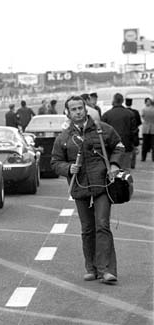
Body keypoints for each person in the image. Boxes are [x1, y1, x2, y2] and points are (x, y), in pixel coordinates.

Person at [50, 95, 124, 284]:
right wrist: (67, 168)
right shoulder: (64, 138)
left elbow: (119, 146)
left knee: (102, 225)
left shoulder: (102, 129)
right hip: (80, 188)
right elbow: (55, 162)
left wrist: (114, 165)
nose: (78, 112)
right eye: (73, 109)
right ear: (67, 112)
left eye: (80, 108)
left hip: (103, 186)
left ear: (85, 109)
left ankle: (106, 270)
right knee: (88, 229)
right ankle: (91, 268)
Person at [101, 93, 137, 170]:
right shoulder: (130, 114)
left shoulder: (106, 115)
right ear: (122, 101)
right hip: (126, 145)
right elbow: (134, 131)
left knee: (112, 171)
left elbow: (102, 132)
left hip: (111, 147)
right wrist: (135, 144)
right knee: (125, 170)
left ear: (113, 100)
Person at [124, 98, 142, 169]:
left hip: (125, 133)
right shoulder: (135, 112)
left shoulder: (124, 112)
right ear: (131, 103)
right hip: (134, 132)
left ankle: (126, 163)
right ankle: (132, 164)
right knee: (133, 148)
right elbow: (139, 122)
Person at [142, 97, 154, 162]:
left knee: (145, 144)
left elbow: (143, 116)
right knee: (152, 144)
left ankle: (143, 157)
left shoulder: (144, 109)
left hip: (146, 128)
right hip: (150, 128)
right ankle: (152, 158)